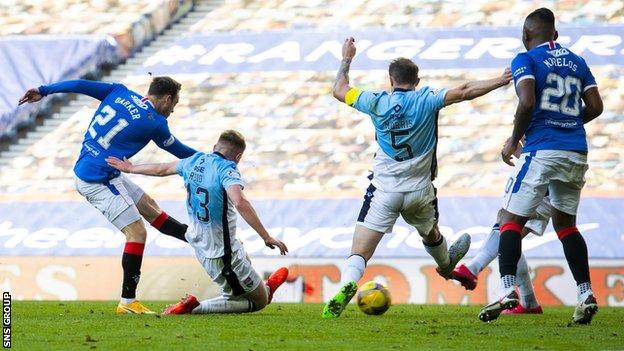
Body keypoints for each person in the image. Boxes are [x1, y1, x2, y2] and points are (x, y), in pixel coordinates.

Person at [322, 37, 512, 318]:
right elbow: (465, 91)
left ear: (390, 80)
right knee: (431, 233)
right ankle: (446, 265)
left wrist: (347, 58)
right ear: (417, 80)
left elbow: (339, 89)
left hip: (384, 191)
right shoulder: (427, 99)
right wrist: (500, 80)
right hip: (420, 191)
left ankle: (348, 283)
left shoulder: (374, 101)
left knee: (359, 253)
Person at [18, 77, 198, 314]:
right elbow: (180, 151)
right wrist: (210, 160)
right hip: (97, 179)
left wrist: (44, 89)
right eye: (174, 103)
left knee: (150, 207)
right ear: (167, 98)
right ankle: (127, 302)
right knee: (137, 232)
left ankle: (197, 239)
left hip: (103, 170)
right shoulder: (155, 123)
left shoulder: (119, 91)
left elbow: (80, 85)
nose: (173, 109)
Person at [478, 8, 604, 324]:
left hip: (542, 149)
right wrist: (568, 123)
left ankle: (507, 290)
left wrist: (513, 140)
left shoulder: (526, 60)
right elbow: (596, 107)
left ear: (525, 36)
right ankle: (586, 293)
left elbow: (528, 101)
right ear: (555, 35)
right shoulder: (578, 61)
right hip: (575, 151)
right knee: (566, 225)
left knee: (509, 220)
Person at [106, 130, 290, 314]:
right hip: (222, 252)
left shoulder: (194, 161)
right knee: (259, 302)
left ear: (214, 147)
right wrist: (266, 237)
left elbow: (161, 169)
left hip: (200, 243)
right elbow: (240, 201)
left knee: (241, 255)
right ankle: (194, 308)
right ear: (238, 157)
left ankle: (266, 288)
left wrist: (130, 168)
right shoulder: (227, 169)